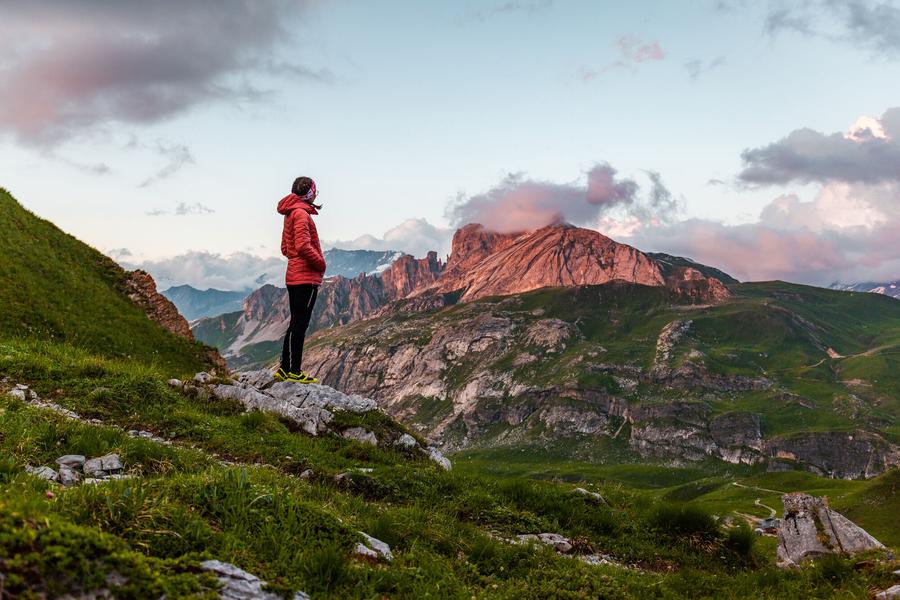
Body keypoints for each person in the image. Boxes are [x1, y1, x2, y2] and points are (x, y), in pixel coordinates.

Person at [275, 176, 326, 383]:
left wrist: (296, 260)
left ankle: (284, 369)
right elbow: (304, 246)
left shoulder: (290, 213)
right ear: (310, 193)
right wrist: (321, 264)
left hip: (293, 275)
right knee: (300, 325)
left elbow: (286, 248)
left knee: (294, 322)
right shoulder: (302, 215)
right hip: (306, 277)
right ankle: (295, 372)